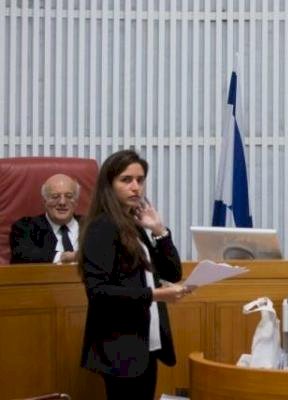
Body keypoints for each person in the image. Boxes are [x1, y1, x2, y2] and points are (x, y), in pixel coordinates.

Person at [78, 149, 193, 400]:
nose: (135, 187)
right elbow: (99, 292)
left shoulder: (132, 224)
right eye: (126, 180)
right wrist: (156, 294)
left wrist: (159, 230)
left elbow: (172, 272)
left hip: (144, 344)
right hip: (120, 346)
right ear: (109, 185)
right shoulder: (102, 227)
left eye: (140, 180)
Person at [10, 174, 82, 264]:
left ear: (76, 201)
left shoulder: (93, 226)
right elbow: (22, 255)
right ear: (44, 201)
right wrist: (63, 257)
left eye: (69, 196)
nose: (62, 202)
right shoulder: (25, 228)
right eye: (55, 196)